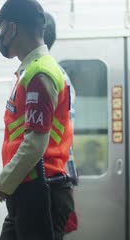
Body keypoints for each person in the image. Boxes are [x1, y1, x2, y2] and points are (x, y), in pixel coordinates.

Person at [0, 0, 75, 240]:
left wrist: (4, 180)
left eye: (1, 29)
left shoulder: (39, 74)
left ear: (13, 28)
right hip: (29, 188)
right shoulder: (30, 72)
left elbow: (35, 143)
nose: (0, 36)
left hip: (41, 189)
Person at [44, 12, 78, 185]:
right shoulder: (58, 73)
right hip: (58, 170)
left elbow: (36, 139)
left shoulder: (44, 76)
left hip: (50, 174)